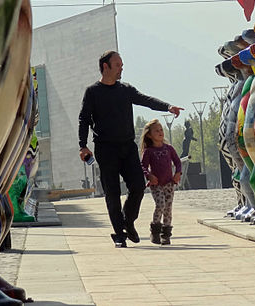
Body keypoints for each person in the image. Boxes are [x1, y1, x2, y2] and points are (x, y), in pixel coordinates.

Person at [78, 50, 183, 248]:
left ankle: (128, 221)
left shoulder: (125, 90)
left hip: (127, 146)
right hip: (105, 148)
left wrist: (168, 107)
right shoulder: (93, 92)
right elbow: (83, 119)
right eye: (118, 65)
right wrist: (83, 146)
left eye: (122, 65)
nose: (121, 68)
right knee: (112, 191)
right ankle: (119, 233)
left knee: (137, 186)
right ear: (106, 67)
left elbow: (146, 100)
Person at [140, 119, 182, 245]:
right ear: (149, 135)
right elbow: (143, 166)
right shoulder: (148, 151)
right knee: (160, 204)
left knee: (168, 208)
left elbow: (177, 162)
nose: (160, 133)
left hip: (169, 184)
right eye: (156, 131)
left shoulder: (169, 149)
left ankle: (166, 235)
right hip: (156, 184)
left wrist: (177, 174)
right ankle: (155, 231)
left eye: (161, 130)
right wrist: (149, 176)